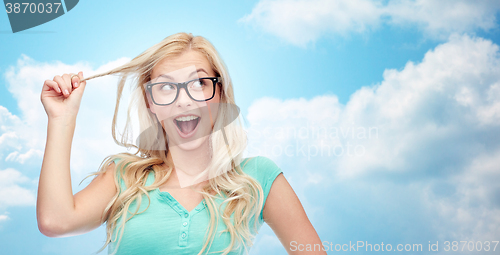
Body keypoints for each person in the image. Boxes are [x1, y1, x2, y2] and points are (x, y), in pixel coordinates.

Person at [38, 32, 325, 255]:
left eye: (199, 83)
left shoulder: (257, 178)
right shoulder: (125, 176)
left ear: (220, 93)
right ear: (150, 101)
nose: (184, 99)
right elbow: (55, 221)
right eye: (165, 87)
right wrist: (61, 118)